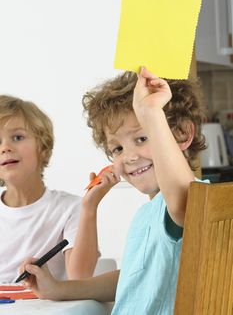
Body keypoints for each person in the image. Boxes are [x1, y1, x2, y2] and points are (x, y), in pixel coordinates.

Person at [21, 67, 206, 314]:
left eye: (142, 138)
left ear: (182, 134)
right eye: (117, 149)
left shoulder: (192, 200)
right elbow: (133, 280)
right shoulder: (147, 215)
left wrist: (150, 112)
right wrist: (59, 289)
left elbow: (185, 204)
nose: (129, 156)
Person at [0, 94, 118, 283]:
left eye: (17, 137)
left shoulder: (70, 208)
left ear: (43, 148)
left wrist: (89, 208)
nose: (5, 147)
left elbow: (79, 278)